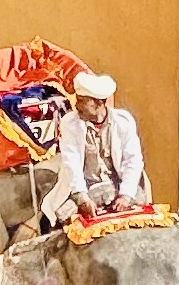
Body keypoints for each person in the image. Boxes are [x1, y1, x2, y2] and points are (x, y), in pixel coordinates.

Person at [44, 70, 150, 224]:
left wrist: (125, 196)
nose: (76, 105)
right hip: (85, 190)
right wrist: (83, 199)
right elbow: (71, 163)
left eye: (82, 101)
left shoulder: (123, 121)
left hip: (118, 187)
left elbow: (133, 161)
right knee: (63, 217)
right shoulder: (70, 123)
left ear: (99, 103)